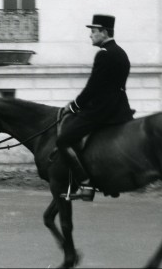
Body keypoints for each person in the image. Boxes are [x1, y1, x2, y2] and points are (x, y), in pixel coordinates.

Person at [51, 14, 134, 201]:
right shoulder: (121, 52)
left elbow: (93, 87)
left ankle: (86, 182)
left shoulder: (104, 54)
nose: (90, 36)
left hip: (102, 110)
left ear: (104, 32)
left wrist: (73, 107)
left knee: (63, 140)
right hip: (120, 107)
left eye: (93, 32)